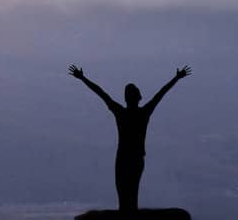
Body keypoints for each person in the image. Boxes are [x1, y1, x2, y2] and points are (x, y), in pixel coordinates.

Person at [68, 64, 191, 212]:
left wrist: (82, 78)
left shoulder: (121, 112)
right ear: (139, 97)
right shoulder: (143, 113)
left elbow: (101, 93)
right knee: (132, 194)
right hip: (136, 158)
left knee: (124, 195)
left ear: (126, 98)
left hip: (123, 158)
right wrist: (176, 78)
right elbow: (161, 93)